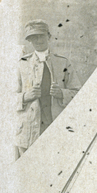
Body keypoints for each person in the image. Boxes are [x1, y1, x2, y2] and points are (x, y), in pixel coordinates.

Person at [15, 19, 82, 159]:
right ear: (29, 41)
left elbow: (79, 94)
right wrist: (25, 97)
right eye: (33, 37)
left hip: (56, 128)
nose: (38, 40)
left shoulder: (63, 62)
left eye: (41, 35)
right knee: (29, 172)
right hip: (28, 132)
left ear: (49, 36)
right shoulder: (21, 64)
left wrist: (62, 93)